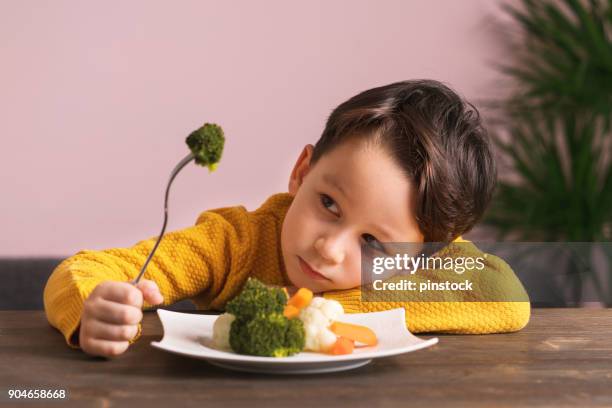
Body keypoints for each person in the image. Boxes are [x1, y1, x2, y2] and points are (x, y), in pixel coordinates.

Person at [44, 80, 530, 358]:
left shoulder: (427, 264)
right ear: (303, 171)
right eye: (329, 205)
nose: (330, 248)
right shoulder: (234, 243)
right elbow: (81, 270)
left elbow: (506, 299)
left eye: (373, 244)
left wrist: (321, 318)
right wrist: (94, 307)